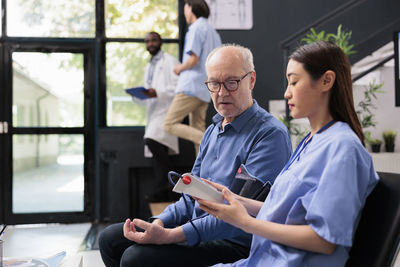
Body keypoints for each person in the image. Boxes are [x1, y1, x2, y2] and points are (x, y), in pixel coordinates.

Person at [98, 44, 292, 267]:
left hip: (236, 242)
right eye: (214, 83)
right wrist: (161, 222)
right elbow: (191, 193)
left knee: (136, 258)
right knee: (110, 239)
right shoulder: (212, 131)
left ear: (251, 80)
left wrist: (173, 235)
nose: (221, 93)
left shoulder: (269, 135)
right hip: (199, 227)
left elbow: (235, 217)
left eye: (231, 82)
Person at [198, 41, 379, 267]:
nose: (286, 93)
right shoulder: (312, 142)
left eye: (294, 82)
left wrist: (245, 222)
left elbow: (324, 240)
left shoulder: (343, 148)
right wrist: (235, 201)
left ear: (326, 81)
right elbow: (286, 211)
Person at [163, 0, 222, 154]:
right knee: (198, 130)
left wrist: (179, 68)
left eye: (185, 8)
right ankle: (202, 175)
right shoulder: (213, 32)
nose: (184, 12)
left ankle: (211, 139)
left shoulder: (196, 28)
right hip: (206, 88)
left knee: (169, 124)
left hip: (191, 86)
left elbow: (193, 59)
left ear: (191, 8)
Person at [132, 32, 180, 202]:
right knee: (157, 154)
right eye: (147, 41)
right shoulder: (149, 66)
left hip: (167, 111)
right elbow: (148, 92)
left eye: (153, 40)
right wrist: (139, 95)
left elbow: (178, 87)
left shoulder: (170, 61)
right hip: (154, 112)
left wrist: (157, 92)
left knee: (151, 140)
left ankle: (176, 181)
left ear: (160, 42)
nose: (150, 44)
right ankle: (164, 191)